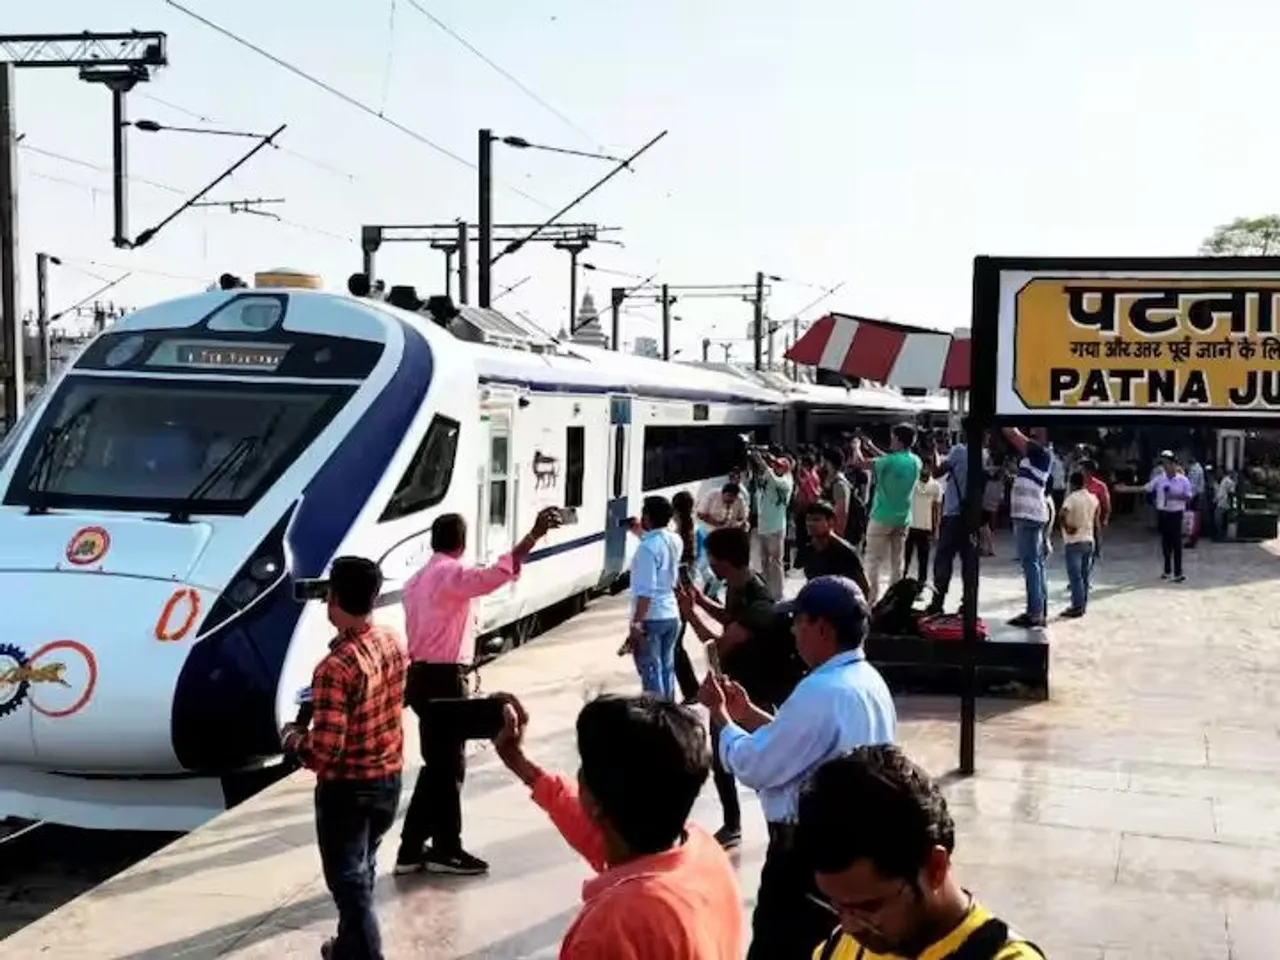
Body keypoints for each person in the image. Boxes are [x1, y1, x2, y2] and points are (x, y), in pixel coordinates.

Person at [701, 575, 896, 960]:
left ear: (822, 628)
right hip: (849, 847)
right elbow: (803, 744)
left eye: (798, 621)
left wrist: (721, 718)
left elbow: (755, 765)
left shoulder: (821, 692)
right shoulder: (864, 681)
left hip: (805, 858)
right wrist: (749, 715)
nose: (792, 631)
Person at [492, 693, 744, 959]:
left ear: (597, 805)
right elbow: (588, 824)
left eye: (584, 768)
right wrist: (521, 764)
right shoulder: (703, 851)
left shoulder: (611, 927)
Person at [396, 507, 561, 877]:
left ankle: (411, 849)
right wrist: (532, 536)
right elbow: (494, 576)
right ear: (462, 543)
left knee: (438, 765)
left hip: (420, 678)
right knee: (450, 764)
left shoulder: (416, 580)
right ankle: (446, 849)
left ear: (434, 542)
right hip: (445, 680)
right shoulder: (450, 574)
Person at [800, 745, 1045, 960]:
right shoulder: (837, 948)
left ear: (936, 868)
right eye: (837, 906)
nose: (849, 926)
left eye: (869, 908)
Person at [281, 557, 407, 960]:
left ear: (333, 599)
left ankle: (367, 955)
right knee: (363, 868)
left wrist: (293, 738)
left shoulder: (333, 668)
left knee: (350, 888)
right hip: (388, 781)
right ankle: (348, 950)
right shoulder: (391, 640)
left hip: (348, 793)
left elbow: (325, 751)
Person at [679, 526, 805, 850]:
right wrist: (701, 600)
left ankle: (779, 826)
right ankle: (733, 824)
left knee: (763, 762)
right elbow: (728, 618)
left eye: (711, 559)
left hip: (753, 692)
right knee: (722, 760)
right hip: (734, 685)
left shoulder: (759, 603)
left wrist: (689, 614)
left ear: (721, 561)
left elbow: (717, 647)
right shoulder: (739, 585)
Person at [852, 425, 922, 604]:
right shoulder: (915, 461)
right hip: (903, 517)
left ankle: (870, 599)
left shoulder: (889, 461)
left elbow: (859, 463)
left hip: (882, 517)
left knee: (873, 560)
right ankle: (895, 598)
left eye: (892, 438)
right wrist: (872, 446)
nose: (891, 441)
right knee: (897, 562)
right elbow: (890, 461)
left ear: (898, 439)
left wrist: (856, 447)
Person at [629, 495, 684, 701]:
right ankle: (670, 712)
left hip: (652, 617)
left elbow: (646, 591)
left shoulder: (646, 549)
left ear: (647, 517)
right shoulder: (675, 540)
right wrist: (640, 533)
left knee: (651, 673)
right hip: (671, 614)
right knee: (666, 669)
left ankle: (657, 718)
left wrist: (636, 623)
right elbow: (658, 541)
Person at [926, 421, 979, 616]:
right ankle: (968, 603)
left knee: (943, 559)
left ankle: (937, 601)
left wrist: (933, 450)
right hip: (972, 517)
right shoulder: (983, 454)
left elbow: (937, 471)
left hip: (953, 515)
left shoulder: (959, 451)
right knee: (969, 562)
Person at [1002, 427, 1053, 628]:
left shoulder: (1040, 452)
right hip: (1030, 514)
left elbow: (1012, 434)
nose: (1031, 434)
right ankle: (1039, 609)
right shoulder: (1034, 457)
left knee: (1030, 565)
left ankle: (1035, 613)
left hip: (1028, 515)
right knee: (1036, 564)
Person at [1117, 452, 1193, 582]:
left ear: (1174, 464)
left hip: (1176, 513)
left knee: (1177, 543)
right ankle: (1167, 570)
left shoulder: (1183, 480)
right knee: (1165, 543)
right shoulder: (1160, 479)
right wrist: (1126, 489)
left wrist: (1174, 496)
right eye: (1164, 464)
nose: (1166, 466)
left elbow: (1189, 496)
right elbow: (1145, 488)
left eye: (1168, 463)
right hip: (1163, 513)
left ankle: (1178, 572)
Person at [749, 449, 795, 599]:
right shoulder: (771, 476)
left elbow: (777, 482)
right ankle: (767, 591)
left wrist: (765, 465)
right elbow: (761, 479)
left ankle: (778, 593)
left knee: (776, 562)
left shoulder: (787, 480)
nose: (775, 467)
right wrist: (757, 458)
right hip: (763, 524)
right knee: (764, 561)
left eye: (779, 466)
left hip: (776, 527)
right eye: (775, 465)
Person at [802, 500, 871, 597]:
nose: (810, 524)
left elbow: (864, 590)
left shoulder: (845, 551)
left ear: (831, 522)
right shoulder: (808, 550)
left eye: (816, 520)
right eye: (808, 520)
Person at [671, 490, 702, 705]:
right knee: (677, 644)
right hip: (688, 591)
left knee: (675, 645)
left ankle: (691, 690)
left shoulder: (679, 534)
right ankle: (691, 689)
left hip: (680, 594)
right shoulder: (693, 529)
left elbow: (681, 568)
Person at [1057, 472, 1099, 619]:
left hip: (1074, 541)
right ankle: (1083, 604)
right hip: (1089, 539)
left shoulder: (1072, 498)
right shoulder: (1093, 498)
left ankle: (1077, 606)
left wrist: (1067, 527)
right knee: (1085, 576)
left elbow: (1062, 514)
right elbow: (1096, 520)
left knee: (1075, 577)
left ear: (1072, 483)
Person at [904, 465, 942, 585]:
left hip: (925, 527)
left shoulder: (936, 486)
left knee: (923, 560)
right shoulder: (911, 483)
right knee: (905, 558)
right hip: (910, 525)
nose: (925, 470)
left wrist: (936, 528)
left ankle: (921, 584)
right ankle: (901, 581)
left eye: (928, 467)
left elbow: (936, 509)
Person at [1079, 459, 1111, 568]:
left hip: (1093, 521)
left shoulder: (1100, 486)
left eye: (1082, 469)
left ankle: (1086, 576)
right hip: (1079, 519)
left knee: (1090, 551)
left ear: (1089, 471)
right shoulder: (1077, 484)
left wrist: (1105, 518)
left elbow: (1105, 503)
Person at [1215, 468, 1238, 539]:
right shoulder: (1225, 481)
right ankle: (1221, 533)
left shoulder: (1227, 481)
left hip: (1224, 503)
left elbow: (1231, 494)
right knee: (1219, 519)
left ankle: (1221, 534)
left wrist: (1231, 505)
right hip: (1222, 502)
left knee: (1219, 519)